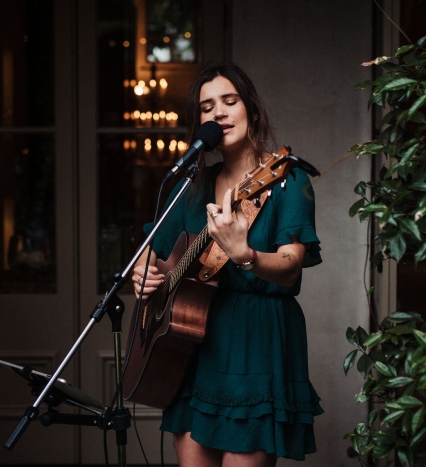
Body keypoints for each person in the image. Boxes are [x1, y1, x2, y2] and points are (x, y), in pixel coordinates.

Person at [131, 63, 323, 467]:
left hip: (256, 340)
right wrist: (145, 271)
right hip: (192, 342)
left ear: (250, 108)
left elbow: (291, 266)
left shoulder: (287, 180)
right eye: (206, 107)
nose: (218, 113)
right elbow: (154, 246)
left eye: (229, 101)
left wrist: (245, 254)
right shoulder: (193, 185)